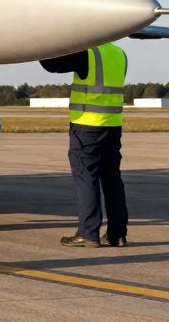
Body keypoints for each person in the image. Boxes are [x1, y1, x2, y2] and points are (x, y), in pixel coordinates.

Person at [41, 41, 129, 248]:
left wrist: (38, 41)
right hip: (112, 125)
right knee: (112, 179)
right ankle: (118, 234)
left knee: (86, 177)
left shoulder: (89, 52)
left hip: (87, 127)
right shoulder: (120, 53)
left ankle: (88, 232)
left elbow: (52, 65)